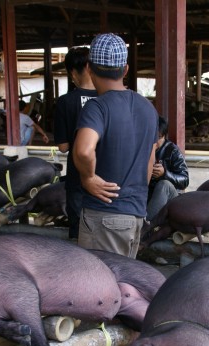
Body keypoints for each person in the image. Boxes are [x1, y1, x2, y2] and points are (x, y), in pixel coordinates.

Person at [73, 33, 158, 257]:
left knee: (98, 288)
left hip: (104, 215)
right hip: (135, 215)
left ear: (89, 69)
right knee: (122, 285)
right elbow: (150, 160)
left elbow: (83, 150)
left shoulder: (97, 108)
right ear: (126, 69)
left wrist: (88, 177)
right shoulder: (148, 108)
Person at [54, 46, 98, 238]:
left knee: (79, 232)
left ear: (72, 72)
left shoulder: (65, 102)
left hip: (78, 177)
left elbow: (63, 147)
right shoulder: (106, 98)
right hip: (107, 176)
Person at [146, 115, 189, 221]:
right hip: (148, 196)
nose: (155, 141)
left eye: (159, 138)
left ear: (164, 136)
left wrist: (165, 174)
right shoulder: (142, 148)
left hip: (170, 197)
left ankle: (147, 225)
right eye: (152, 137)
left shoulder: (172, 150)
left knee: (164, 184)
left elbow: (185, 180)